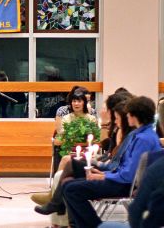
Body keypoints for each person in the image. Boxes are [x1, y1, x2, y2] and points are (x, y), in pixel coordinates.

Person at [62, 96, 162, 228]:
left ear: (135, 116)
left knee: (72, 189)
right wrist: (105, 173)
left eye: (128, 115)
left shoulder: (143, 139)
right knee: (68, 186)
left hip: (124, 184)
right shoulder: (141, 135)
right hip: (120, 180)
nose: (126, 117)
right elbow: (125, 167)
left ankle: (95, 225)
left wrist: (103, 175)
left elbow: (129, 175)